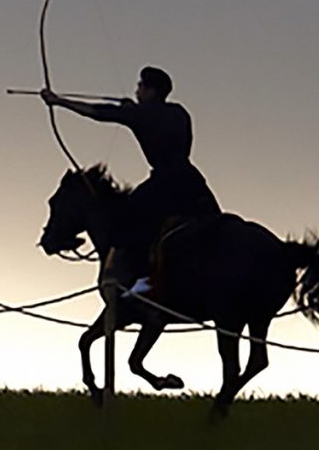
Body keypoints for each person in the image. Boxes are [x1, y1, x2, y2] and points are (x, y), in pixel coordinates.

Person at [41, 66, 220, 295]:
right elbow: (152, 118)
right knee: (212, 221)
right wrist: (134, 111)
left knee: (124, 222)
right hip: (192, 181)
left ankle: (140, 280)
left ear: (150, 90)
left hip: (164, 182)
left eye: (140, 86)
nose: (137, 90)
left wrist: (59, 101)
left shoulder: (139, 114)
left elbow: (99, 112)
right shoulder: (179, 112)